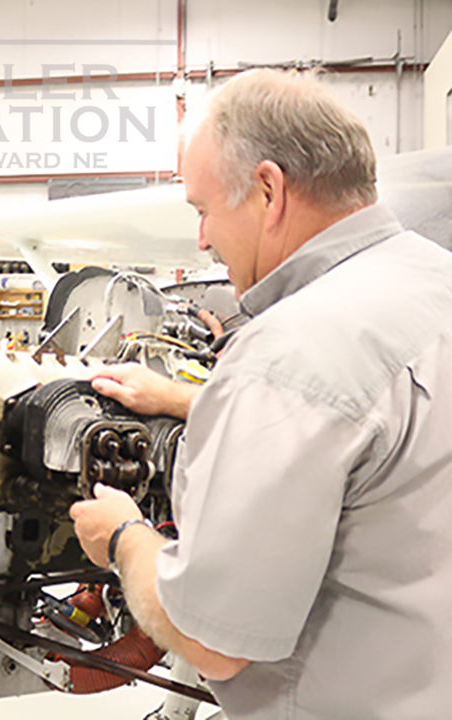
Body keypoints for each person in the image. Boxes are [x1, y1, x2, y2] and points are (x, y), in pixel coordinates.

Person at [71, 68, 452, 719]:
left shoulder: (286, 354)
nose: (201, 239)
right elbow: (377, 432)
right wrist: (188, 402)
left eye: (203, 209)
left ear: (269, 190)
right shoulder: (434, 281)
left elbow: (213, 643)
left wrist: (123, 539)